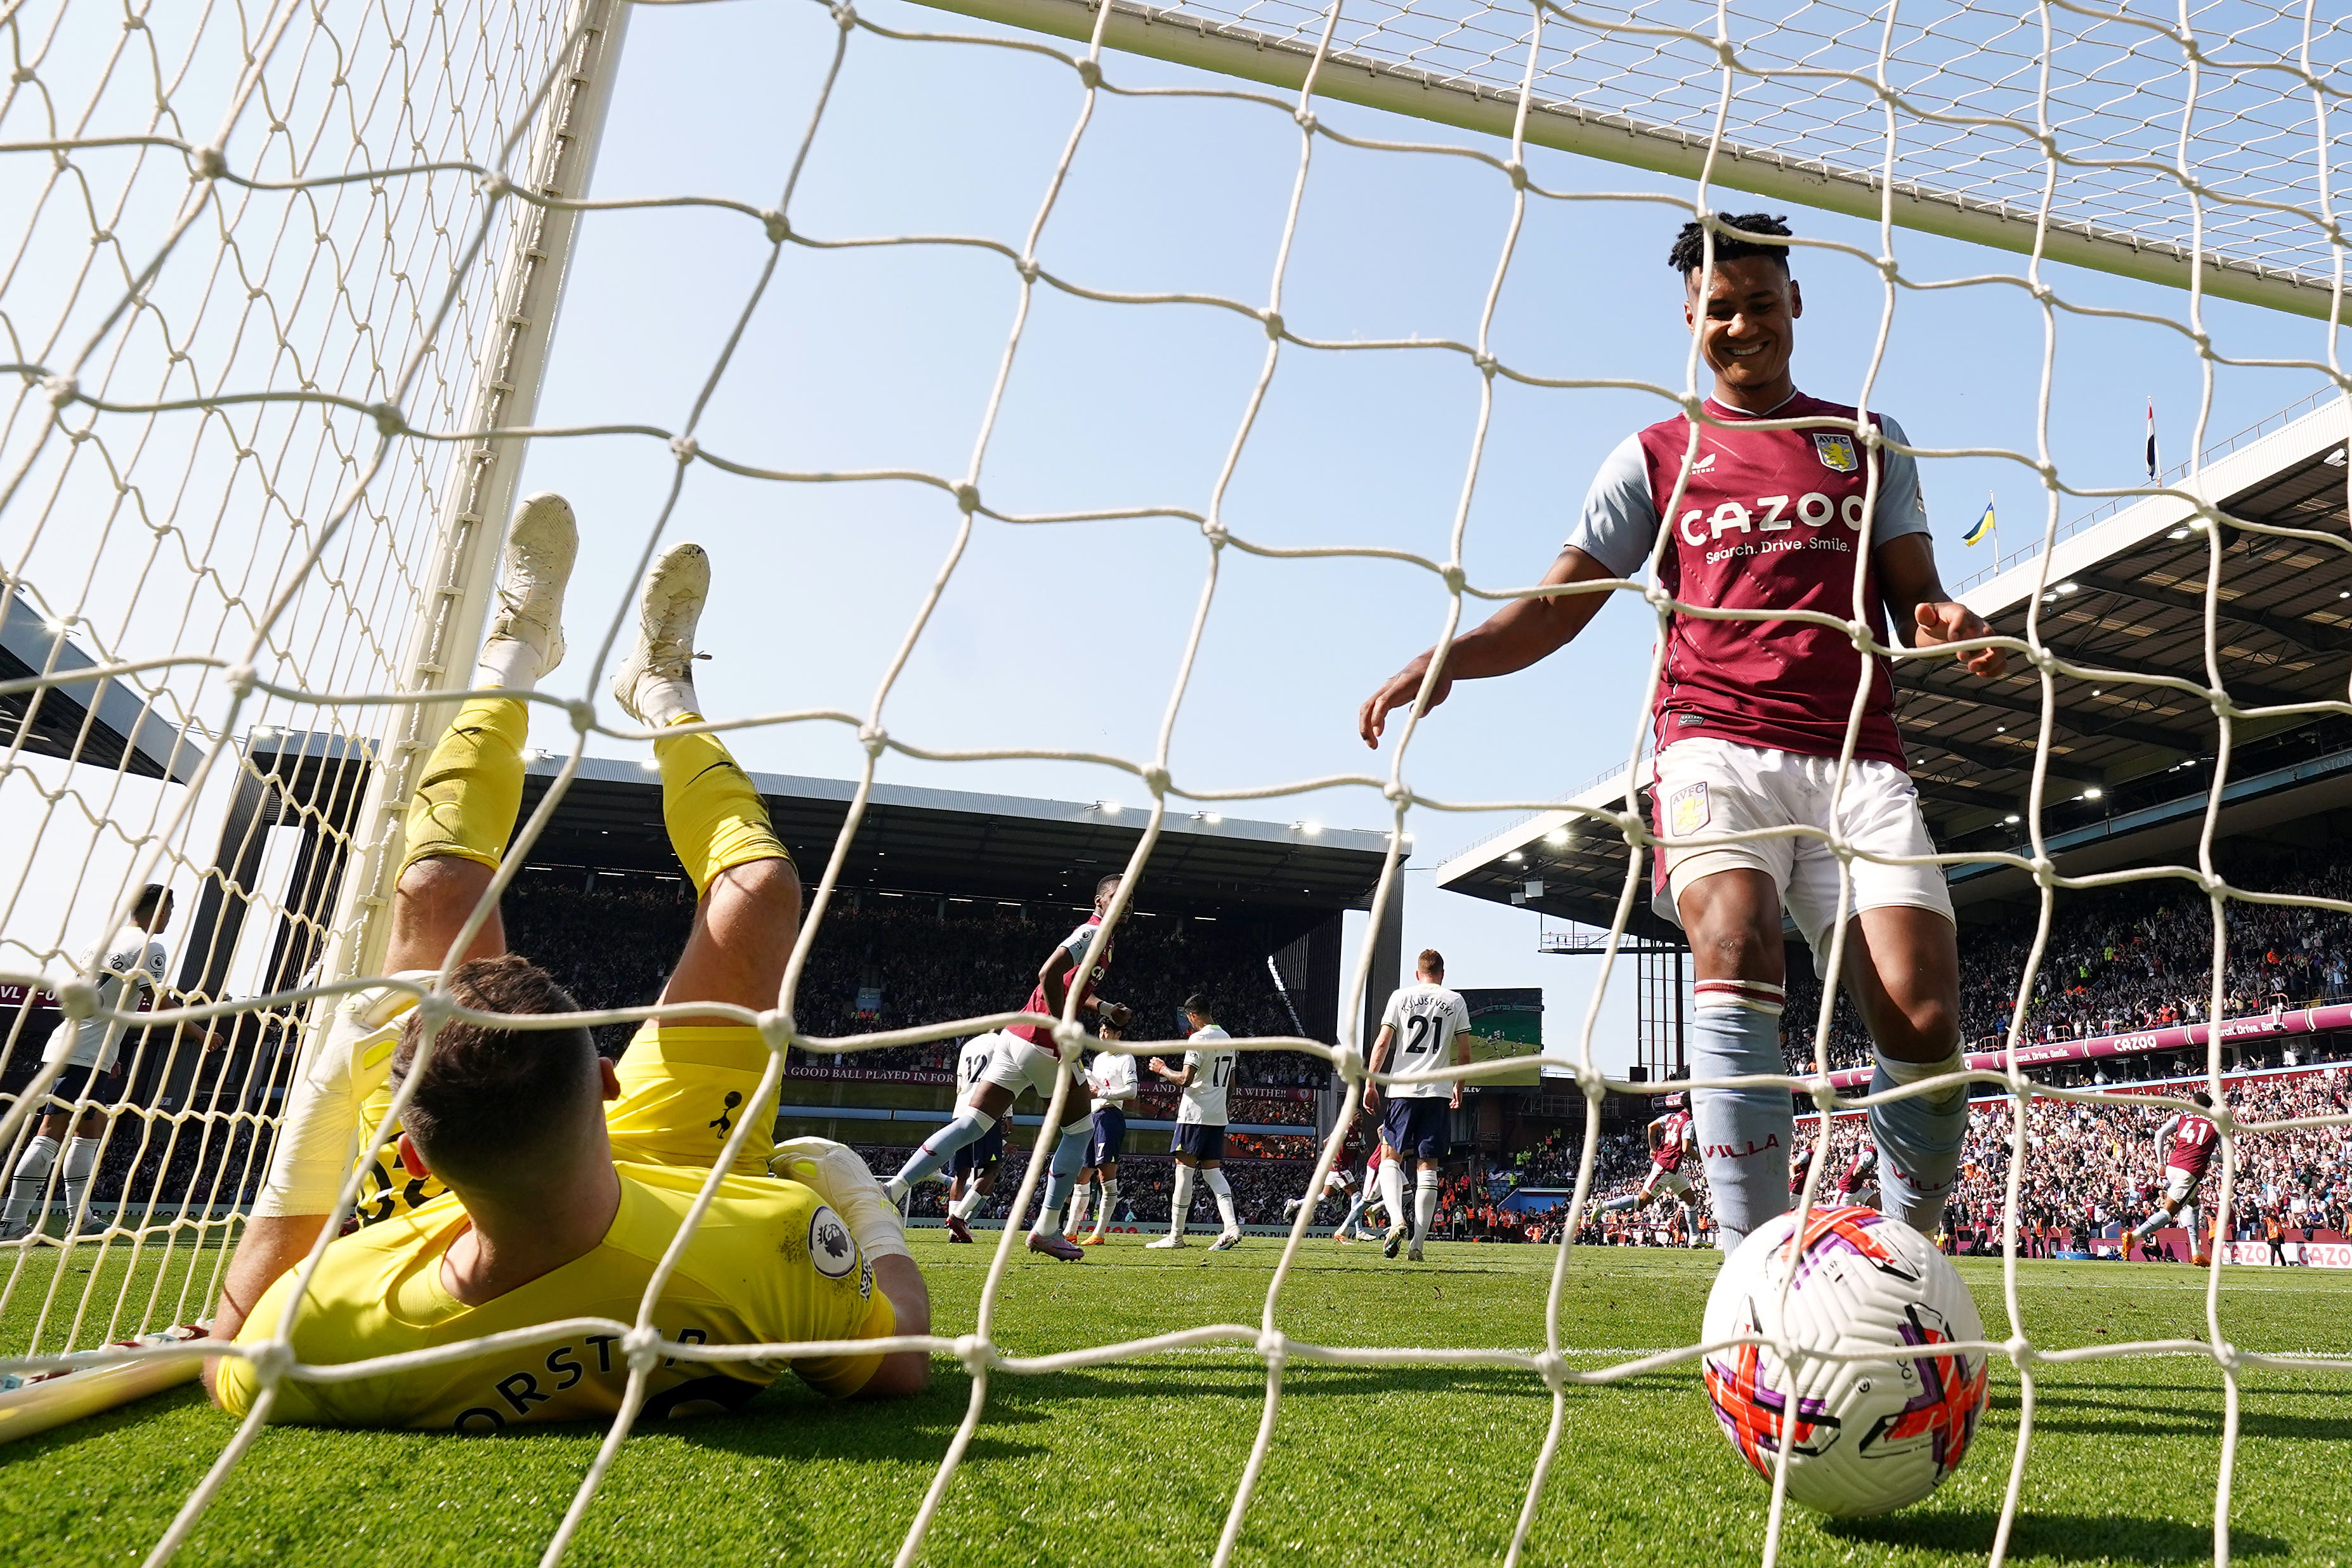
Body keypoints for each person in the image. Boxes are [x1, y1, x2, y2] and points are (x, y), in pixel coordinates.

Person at [1359, 214, 2004, 1253]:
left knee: (1922, 1024)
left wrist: (1945, 619)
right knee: (1735, 941)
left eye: (1758, 302)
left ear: (1794, 304)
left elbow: (1915, 590)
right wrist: (1453, 658)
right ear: (1688, 319)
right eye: (1718, 308)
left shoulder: (1866, 439)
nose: (1740, 323)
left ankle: (1904, 1261)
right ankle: (1750, 1267)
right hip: (1710, 743)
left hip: (1855, 756)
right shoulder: (1655, 455)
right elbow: (1555, 605)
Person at [204, 501, 927, 1421]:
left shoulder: (320, 1334)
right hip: (692, 1180)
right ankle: (666, 693)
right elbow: (902, 1360)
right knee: (763, 895)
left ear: (407, 1144)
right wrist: (862, 1204)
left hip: (447, 1206)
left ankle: (520, 651)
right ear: (608, 1079)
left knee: (434, 888)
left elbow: (226, 1351)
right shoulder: (771, 1239)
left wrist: (315, 1113)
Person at [884, 877, 1132, 1264]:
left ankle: (894, 1190)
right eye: (1117, 896)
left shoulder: (1106, 939)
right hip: (1043, 1041)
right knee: (1080, 1130)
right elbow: (1048, 974)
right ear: (1099, 900)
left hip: (1015, 1037)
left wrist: (1104, 1010)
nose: (1125, 903)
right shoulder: (1091, 932)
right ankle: (1046, 1231)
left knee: (972, 1124)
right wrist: (1058, 1025)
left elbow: (1073, 989)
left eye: (1130, 898)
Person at [1, 885, 219, 1240]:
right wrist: (199, 1031)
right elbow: (157, 1000)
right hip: (84, 1052)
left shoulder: (101, 941)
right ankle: (11, 1223)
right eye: (170, 911)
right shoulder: (151, 947)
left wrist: (110, 1054)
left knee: (90, 1131)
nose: (169, 918)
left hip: (80, 1046)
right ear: (161, 910)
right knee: (50, 1132)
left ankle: (81, 1218)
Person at [1364, 949, 1470, 1262]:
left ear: (1417, 973)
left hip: (1402, 1088)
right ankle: (1418, 1247)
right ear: (1442, 973)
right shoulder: (1455, 1001)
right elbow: (1465, 1055)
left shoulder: (1400, 997)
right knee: (1428, 1168)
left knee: (1390, 1157)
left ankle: (1396, 1220)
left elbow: (1383, 1042)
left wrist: (1371, 1083)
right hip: (1437, 1093)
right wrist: (1459, 1087)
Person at [1146, 995, 1240, 1251]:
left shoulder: (1198, 1038)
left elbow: (1186, 1079)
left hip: (1195, 1114)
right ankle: (1231, 1226)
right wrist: (1222, 1108)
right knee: (1213, 1173)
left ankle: (1175, 1237)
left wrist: (1162, 1069)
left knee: (1183, 1171)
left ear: (1193, 1015)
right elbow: (1232, 1085)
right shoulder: (1229, 1039)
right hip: (1217, 1116)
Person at [2130, 1090, 2220, 1267]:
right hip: (2190, 1172)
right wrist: (2209, 1156)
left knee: (2194, 1204)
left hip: (2172, 1168)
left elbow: (2159, 1134)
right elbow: (2226, 1157)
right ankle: (2134, 1236)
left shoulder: (2181, 1118)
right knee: (2168, 1213)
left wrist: (2160, 1163)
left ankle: (2197, 1252)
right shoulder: (2216, 1126)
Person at [1595, 1092, 1699, 1238]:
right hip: (1667, 1166)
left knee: (1691, 1200)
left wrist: (1653, 1148)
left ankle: (1695, 1238)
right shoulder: (1688, 1122)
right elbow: (1686, 1148)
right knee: (1643, 1201)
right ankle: (1604, 1206)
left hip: (1672, 1168)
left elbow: (1651, 1127)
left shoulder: (1670, 1117)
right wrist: (1701, 1160)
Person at [1071, 1016, 1137, 1245]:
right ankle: (1071, 1230)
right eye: (1101, 1029)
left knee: (1104, 1174)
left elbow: (1132, 1091)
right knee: (1082, 1174)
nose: (1102, 1033)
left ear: (1118, 1034)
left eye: (1107, 1030)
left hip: (1110, 1116)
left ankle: (1099, 1233)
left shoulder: (1126, 1058)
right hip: (1093, 1116)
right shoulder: (1098, 1059)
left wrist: (1102, 1094)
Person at [941, 1032, 1005, 1244]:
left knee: (961, 1174)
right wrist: (1009, 1114)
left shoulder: (967, 1045)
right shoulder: (1002, 1043)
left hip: (960, 1111)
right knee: (992, 1169)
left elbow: (959, 1084)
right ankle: (959, 1219)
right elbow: (1003, 1079)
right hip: (986, 1110)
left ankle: (953, 1231)